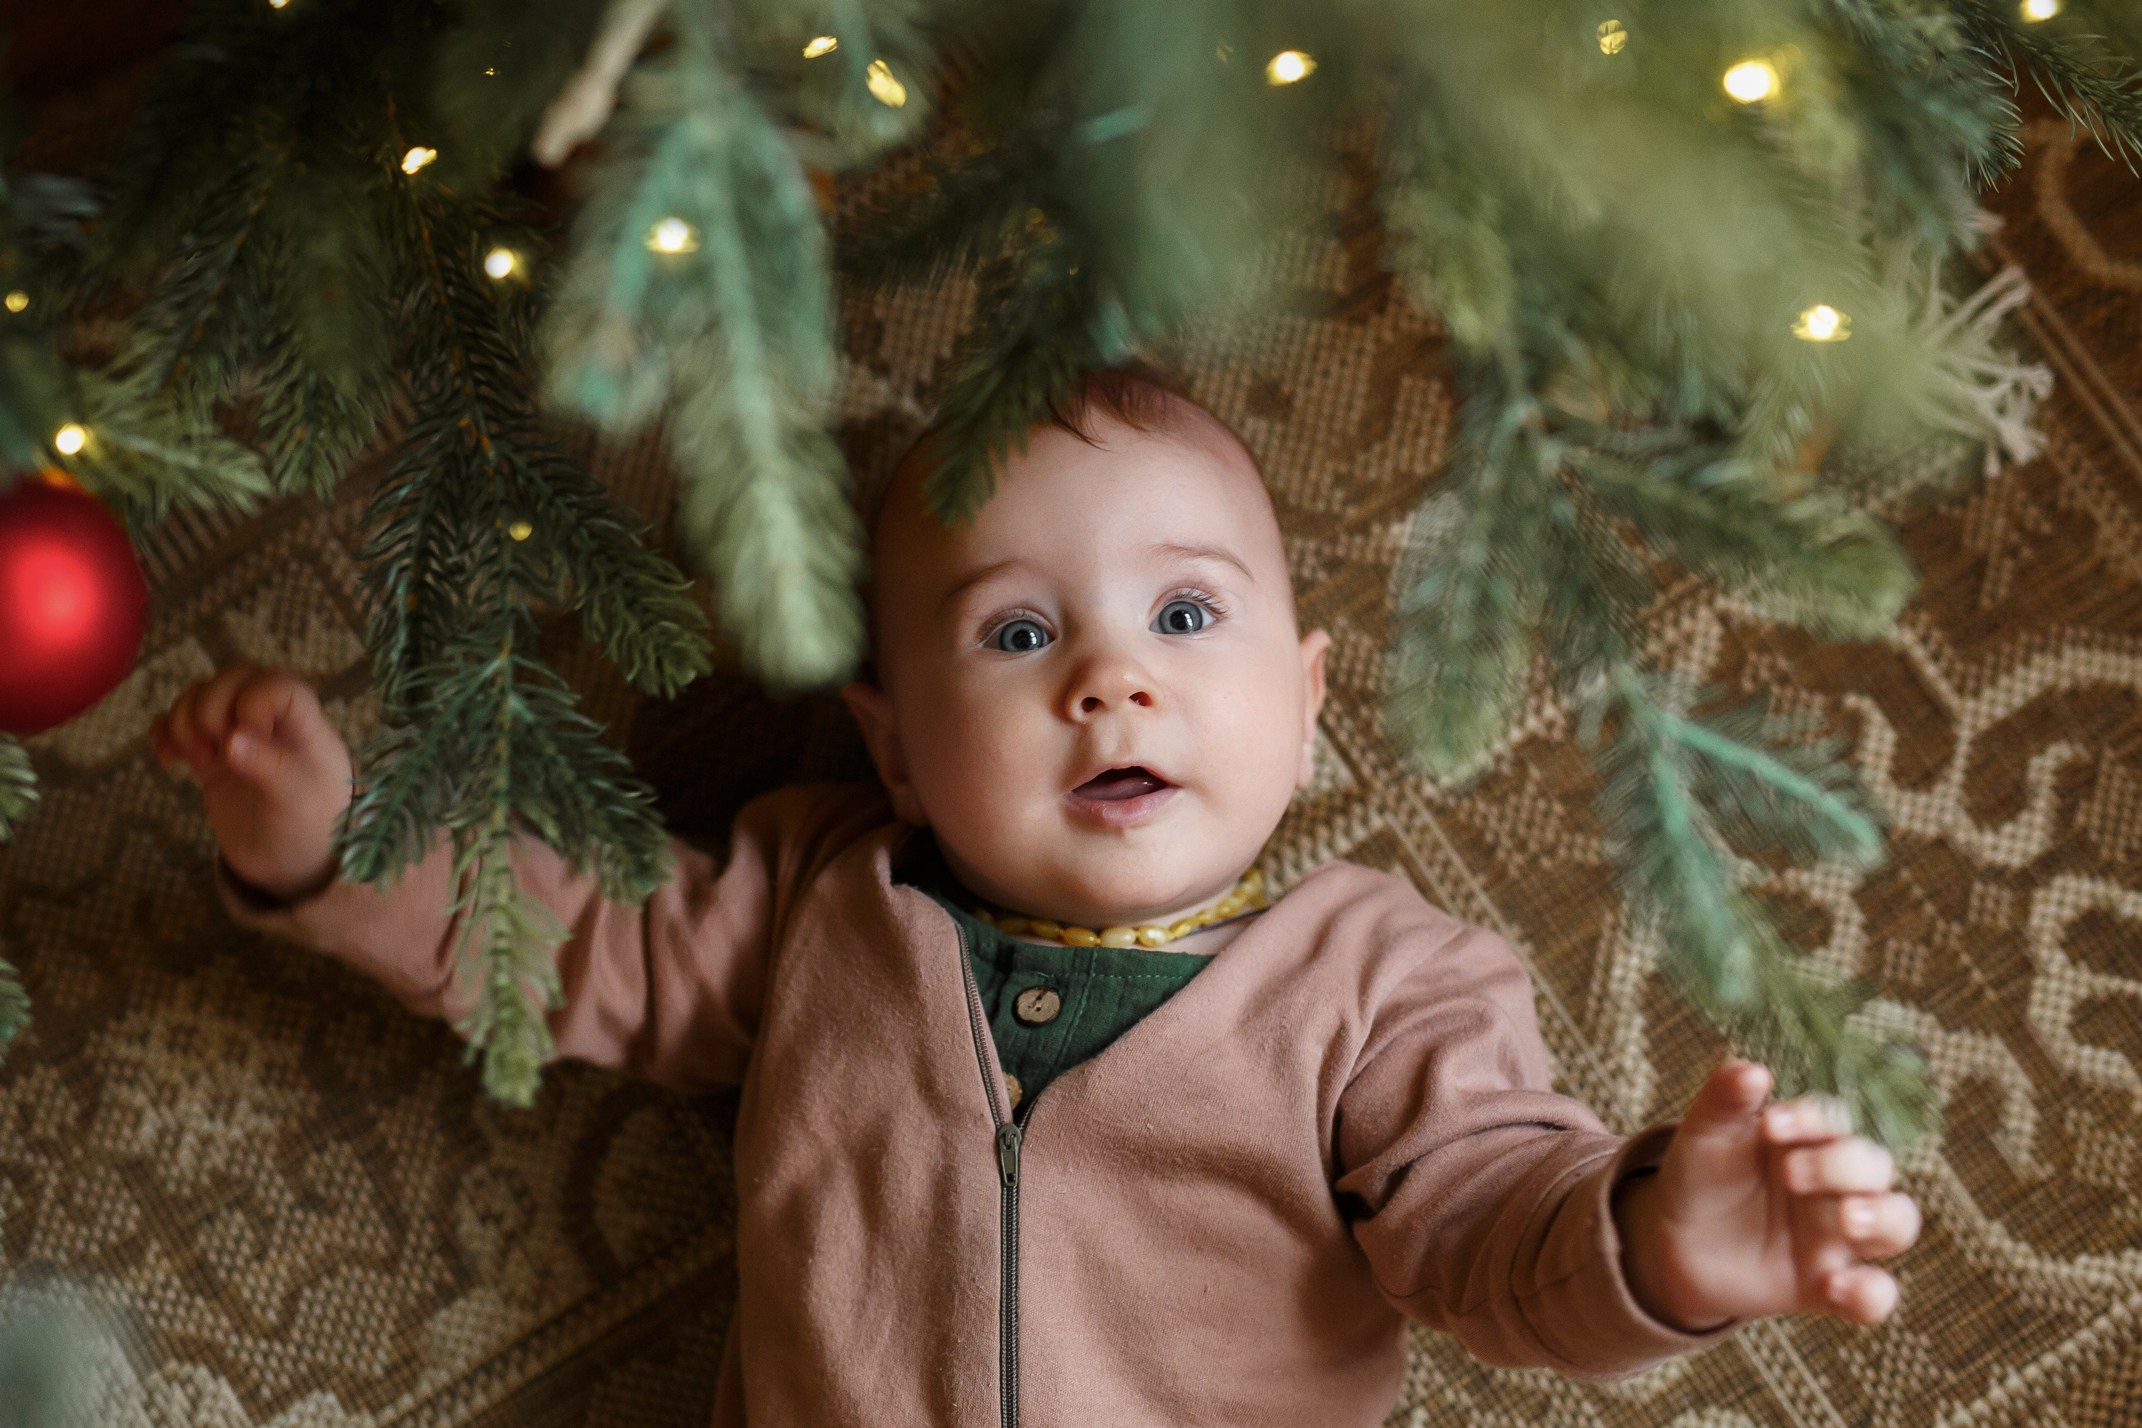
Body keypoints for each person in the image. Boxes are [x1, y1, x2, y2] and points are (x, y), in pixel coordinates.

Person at [150, 367, 1922, 1427]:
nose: (1108, 679)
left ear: (1307, 705)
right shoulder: (813, 903)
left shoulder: (1385, 987)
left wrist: (1653, 1247)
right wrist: (327, 847)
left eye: (1185, 615)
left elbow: (1486, 1230)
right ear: (898, 748)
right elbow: (566, 946)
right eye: (1016, 633)